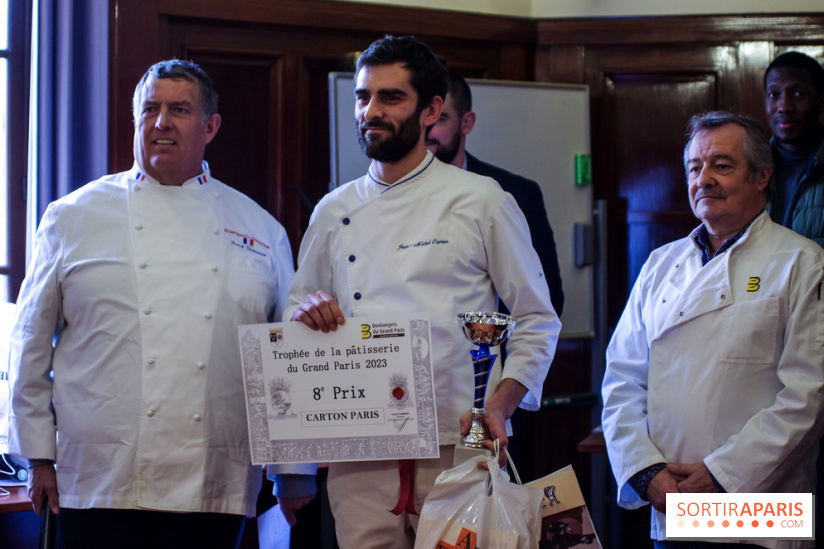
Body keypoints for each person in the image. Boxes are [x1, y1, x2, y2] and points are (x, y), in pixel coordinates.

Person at [274, 35, 560, 548]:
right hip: (359, 449)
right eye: (363, 97)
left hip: (459, 444)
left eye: (391, 98)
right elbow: (299, 309)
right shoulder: (332, 210)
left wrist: (502, 402)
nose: (371, 111)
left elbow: (537, 318)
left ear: (432, 110)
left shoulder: (481, 201)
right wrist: (307, 310)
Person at [8, 59, 295, 549]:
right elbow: (28, 345)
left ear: (210, 126)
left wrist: (294, 470)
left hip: (213, 481)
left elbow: (287, 358)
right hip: (97, 477)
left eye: (180, 110)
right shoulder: (72, 217)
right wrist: (37, 457)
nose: (162, 122)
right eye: (151, 109)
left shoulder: (262, 230)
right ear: (135, 118)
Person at [601, 111, 824, 548]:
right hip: (674, 498)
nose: (703, 179)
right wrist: (646, 473)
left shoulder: (803, 262)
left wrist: (721, 475)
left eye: (722, 166)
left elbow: (808, 396)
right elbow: (621, 380)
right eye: (694, 167)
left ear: (762, 176)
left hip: (763, 505)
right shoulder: (659, 265)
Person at [425, 69, 564, 317]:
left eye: (440, 119)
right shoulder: (387, 193)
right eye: (422, 118)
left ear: (466, 122)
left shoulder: (517, 194)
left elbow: (547, 299)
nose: (426, 131)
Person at [764, 51, 824, 246]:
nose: (784, 107)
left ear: (820, 101)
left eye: (798, 94)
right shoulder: (751, 165)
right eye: (774, 94)